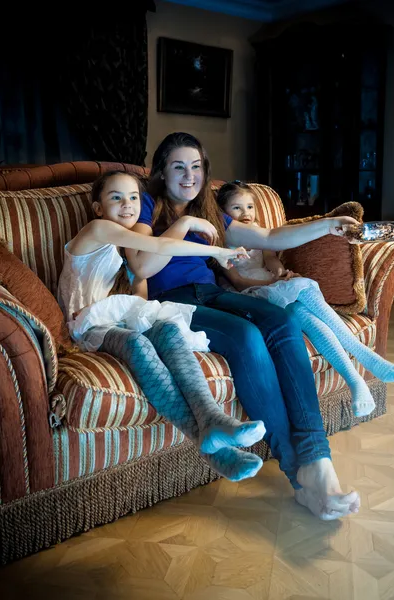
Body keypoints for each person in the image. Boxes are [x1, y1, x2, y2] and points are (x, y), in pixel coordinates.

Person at [126, 132, 362, 520]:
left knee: (282, 321)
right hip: (173, 302)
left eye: (197, 167)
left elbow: (268, 236)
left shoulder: (210, 213)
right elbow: (142, 267)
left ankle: (318, 459)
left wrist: (326, 225)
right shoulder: (147, 205)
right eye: (179, 167)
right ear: (161, 171)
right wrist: (185, 223)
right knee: (248, 337)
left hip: (209, 291)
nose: (190, 175)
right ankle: (297, 472)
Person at [57, 170, 267, 482]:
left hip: (114, 317)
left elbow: (138, 299)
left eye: (132, 198)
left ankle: (212, 419)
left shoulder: (126, 254)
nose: (127, 204)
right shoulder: (98, 229)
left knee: (168, 328)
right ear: (98, 207)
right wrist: (212, 246)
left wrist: (140, 285)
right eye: (116, 197)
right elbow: (158, 246)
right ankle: (213, 448)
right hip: (86, 325)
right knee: (137, 344)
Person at [216, 180, 394, 418]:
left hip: (271, 285)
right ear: (222, 212)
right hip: (249, 293)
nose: (246, 213)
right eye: (237, 208)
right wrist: (272, 283)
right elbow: (238, 282)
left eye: (250, 207)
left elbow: (272, 261)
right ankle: (361, 357)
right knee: (300, 297)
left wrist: (281, 273)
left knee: (302, 309)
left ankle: (356, 381)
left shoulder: (260, 233)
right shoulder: (223, 241)